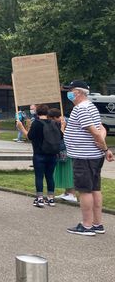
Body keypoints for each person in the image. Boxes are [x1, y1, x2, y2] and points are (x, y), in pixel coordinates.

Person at [62, 81, 113, 236]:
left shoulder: (80, 109)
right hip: (94, 155)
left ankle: (87, 225)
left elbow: (96, 133)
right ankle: (97, 224)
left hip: (84, 156)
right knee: (95, 189)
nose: (68, 94)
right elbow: (101, 129)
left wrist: (105, 149)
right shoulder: (91, 107)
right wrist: (103, 149)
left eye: (70, 91)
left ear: (78, 92)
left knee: (85, 191)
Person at [16, 104, 58, 207]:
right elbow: (60, 136)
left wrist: (21, 128)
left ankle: (39, 198)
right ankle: (51, 198)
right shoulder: (54, 123)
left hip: (39, 154)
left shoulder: (36, 124)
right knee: (50, 176)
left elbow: (29, 137)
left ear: (37, 113)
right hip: (52, 154)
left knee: (39, 176)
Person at [49, 108, 77, 203]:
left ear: (56, 117)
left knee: (68, 170)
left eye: (52, 119)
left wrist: (62, 128)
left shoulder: (66, 122)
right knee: (64, 170)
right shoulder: (59, 122)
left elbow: (67, 137)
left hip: (68, 150)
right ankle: (67, 192)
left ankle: (72, 193)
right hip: (62, 149)